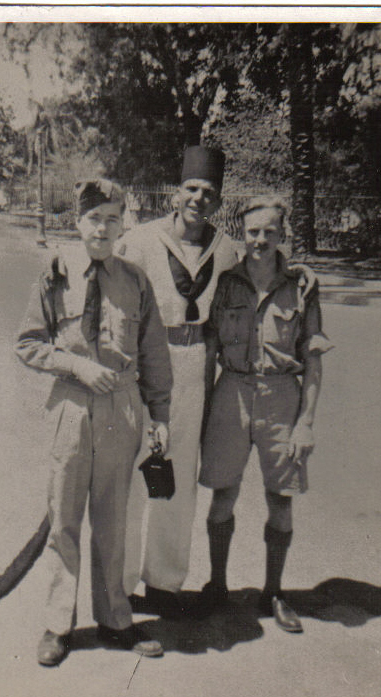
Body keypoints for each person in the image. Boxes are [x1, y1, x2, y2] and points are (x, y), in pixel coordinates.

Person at [15, 178, 173, 664]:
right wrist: (76, 365)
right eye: (93, 219)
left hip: (121, 410)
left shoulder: (136, 280)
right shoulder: (55, 273)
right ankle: (57, 625)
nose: (102, 229)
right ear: (77, 222)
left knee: (112, 520)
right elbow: (28, 343)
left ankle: (115, 620)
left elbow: (154, 352)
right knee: (64, 518)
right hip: (71, 405)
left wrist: (160, 415)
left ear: (123, 224)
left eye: (111, 219)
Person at [197, 196, 333, 632]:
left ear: (282, 234)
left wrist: (305, 422)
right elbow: (210, 349)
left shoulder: (301, 286)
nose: (260, 240)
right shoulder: (225, 282)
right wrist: (204, 411)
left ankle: (274, 592)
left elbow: (313, 359)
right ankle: (217, 585)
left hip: (280, 397)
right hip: (232, 392)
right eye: (253, 231)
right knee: (223, 493)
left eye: (269, 231)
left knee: (280, 498)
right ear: (242, 233)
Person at [117, 146, 241, 618]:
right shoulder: (141, 240)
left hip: (195, 365)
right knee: (134, 473)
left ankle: (164, 583)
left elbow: (261, 277)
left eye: (209, 192)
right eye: (191, 188)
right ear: (176, 193)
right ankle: (119, 583)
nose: (198, 199)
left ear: (218, 200)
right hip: (148, 360)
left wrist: (302, 273)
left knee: (178, 476)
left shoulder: (226, 250)